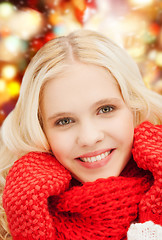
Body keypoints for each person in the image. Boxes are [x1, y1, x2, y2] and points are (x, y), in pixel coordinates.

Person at [0, 29, 162, 240]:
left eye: (105, 109)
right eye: (64, 121)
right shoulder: (13, 215)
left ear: (133, 106)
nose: (89, 137)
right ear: (41, 130)